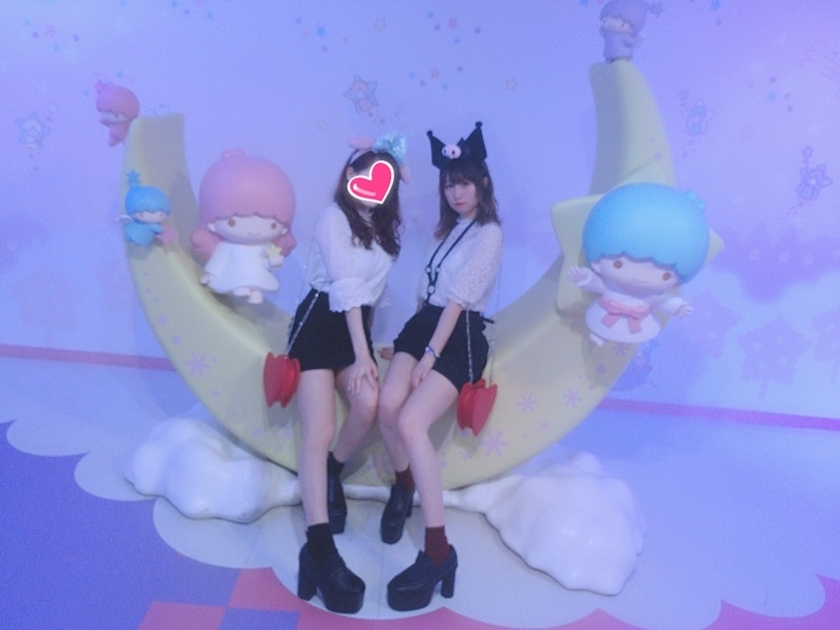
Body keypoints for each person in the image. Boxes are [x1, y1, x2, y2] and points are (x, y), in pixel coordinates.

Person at [376, 122, 502, 612]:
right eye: (450, 185)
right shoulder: (447, 230)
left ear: (483, 183)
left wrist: (429, 355)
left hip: (458, 335)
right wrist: (406, 345)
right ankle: (403, 484)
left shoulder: (489, 234)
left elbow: (457, 302)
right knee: (387, 406)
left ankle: (437, 550)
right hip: (423, 325)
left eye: (464, 183)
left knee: (411, 421)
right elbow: (428, 295)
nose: (456, 192)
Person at [289, 133, 407, 614]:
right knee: (319, 429)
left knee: (369, 405)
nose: (373, 189)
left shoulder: (383, 229)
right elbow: (345, 286)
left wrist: (370, 348)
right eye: (366, 177)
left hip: (356, 331)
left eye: (384, 182)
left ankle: (331, 473)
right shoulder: (332, 217)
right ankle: (318, 549)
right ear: (349, 176)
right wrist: (362, 356)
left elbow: (371, 297)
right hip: (319, 325)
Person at [567, 182, 710, 346]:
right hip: (603, 315)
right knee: (601, 327)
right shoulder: (610, 286)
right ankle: (601, 335)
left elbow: (662, 302)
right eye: (618, 264)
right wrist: (584, 279)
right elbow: (597, 285)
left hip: (641, 324)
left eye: (665, 275)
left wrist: (677, 308)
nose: (640, 278)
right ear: (597, 261)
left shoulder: (650, 297)